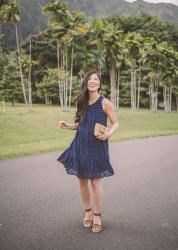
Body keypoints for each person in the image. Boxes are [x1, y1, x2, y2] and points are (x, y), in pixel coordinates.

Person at [57, 70, 119, 233]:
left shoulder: (105, 103)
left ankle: (97, 215)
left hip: (97, 145)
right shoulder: (82, 101)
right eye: (90, 79)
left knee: (96, 181)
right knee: (82, 180)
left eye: (96, 79)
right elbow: (81, 124)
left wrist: (108, 134)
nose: (92, 81)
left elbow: (115, 123)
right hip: (80, 144)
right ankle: (88, 212)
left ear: (99, 83)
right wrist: (68, 126)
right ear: (86, 82)